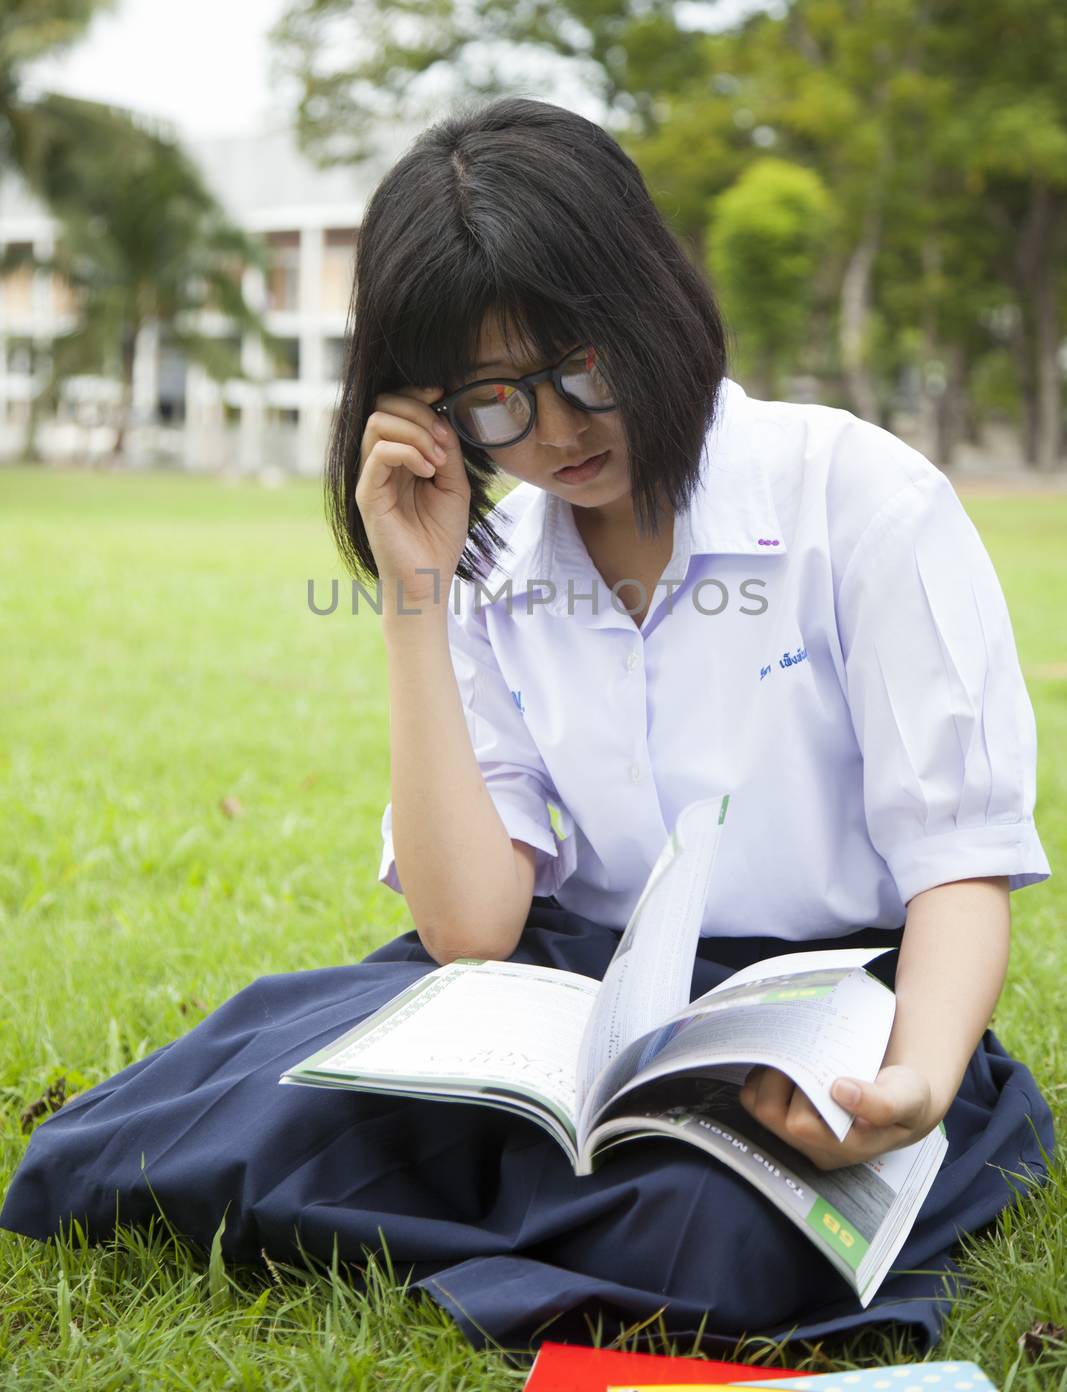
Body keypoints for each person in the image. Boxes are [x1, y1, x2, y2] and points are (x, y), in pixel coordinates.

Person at [0, 97, 1054, 1356]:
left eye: (581, 370)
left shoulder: (858, 499)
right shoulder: (492, 566)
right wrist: (412, 599)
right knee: (189, 1119)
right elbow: (469, 929)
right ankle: (507, 1216)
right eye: (491, 400)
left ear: (650, 304)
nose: (551, 432)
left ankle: (494, 1218)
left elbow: (956, 860)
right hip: (584, 988)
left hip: (835, 1005)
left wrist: (919, 1080)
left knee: (705, 1238)